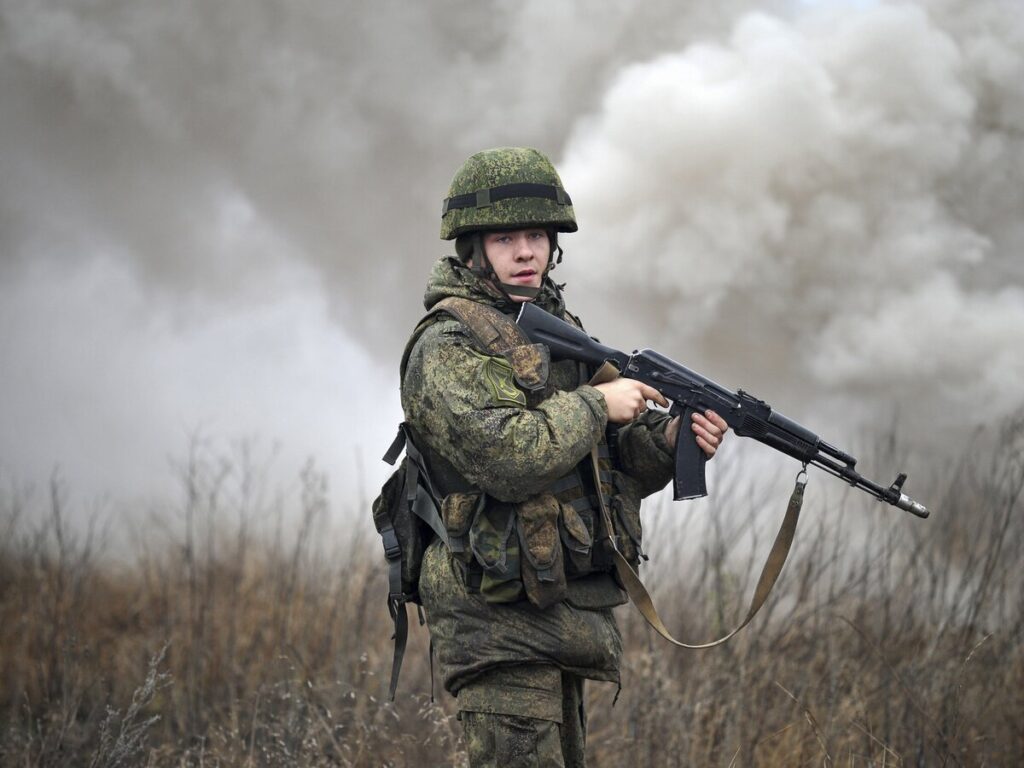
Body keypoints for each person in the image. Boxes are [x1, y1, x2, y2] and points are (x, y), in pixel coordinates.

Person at [400, 147, 727, 767]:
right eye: (505, 238)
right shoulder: (448, 345)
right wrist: (601, 404)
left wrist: (667, 442)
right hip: (497, 619)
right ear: (473, 248)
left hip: (560, 613)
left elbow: (600, 463)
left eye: (536, 236)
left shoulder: (553, 328)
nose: (526, 251)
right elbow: (510, 456)